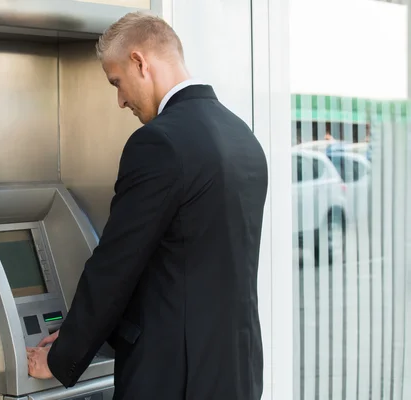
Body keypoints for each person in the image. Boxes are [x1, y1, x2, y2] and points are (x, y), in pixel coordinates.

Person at [26, 11, 268, 400]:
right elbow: (189, 267)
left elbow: (116, 266)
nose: (120, 100)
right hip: (235, 372)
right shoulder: (242, 136)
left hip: (172, 377)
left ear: (140, 62)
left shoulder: (159, 143)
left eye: (117, 82)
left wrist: (61, 358)